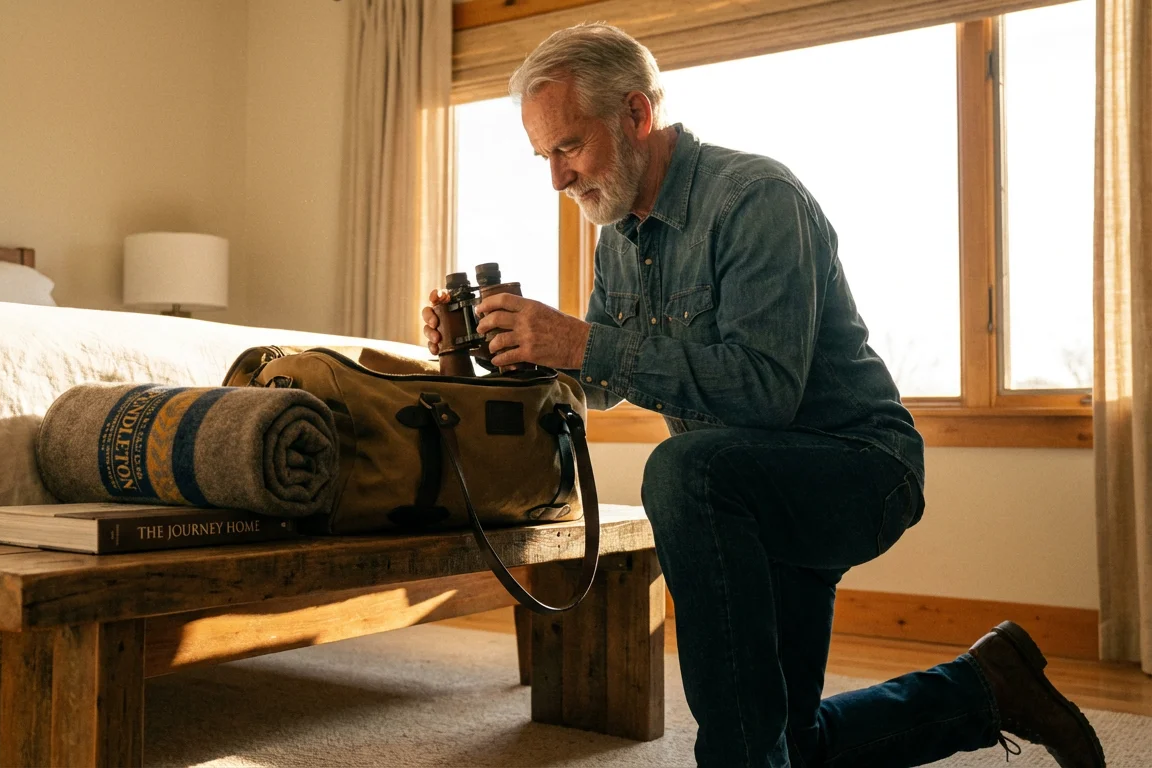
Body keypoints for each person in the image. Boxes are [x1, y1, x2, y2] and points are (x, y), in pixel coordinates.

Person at [421, 22, 1104, 768]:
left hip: (858, 470)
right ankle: (989, 688)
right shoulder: (619, 234)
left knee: (683, 472)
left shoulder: (754, 199)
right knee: (788, 742)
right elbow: (605, 383)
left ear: (637, 115)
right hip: (745, 498)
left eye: (568, 147)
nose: (556, 178)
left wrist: (581, 341)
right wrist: (509, 352)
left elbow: (765, 392)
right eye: (542, 156)